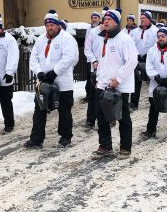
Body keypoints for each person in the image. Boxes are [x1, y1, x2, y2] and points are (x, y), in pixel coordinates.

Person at [24, 10, 78, 149]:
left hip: (63, 82)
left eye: (52, 25)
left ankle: (65, 137)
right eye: (47, 25)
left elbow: (69, 58)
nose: (49, 28)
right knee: (39, 109)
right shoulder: (41, 40)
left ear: (57, 25)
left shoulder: (66, 38)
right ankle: (36, 139)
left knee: (64, 110)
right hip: (44, 83)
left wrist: (55, 72)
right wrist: (39, 72)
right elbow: (34, 58)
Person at [91, 9, 138, 160]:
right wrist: (98, 77)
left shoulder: (124, 39)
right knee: (101, 115)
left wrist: (118, 79)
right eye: (104, 19)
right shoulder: (101, 38)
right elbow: (102, 60)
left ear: (116, 22)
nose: (105, 21)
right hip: (103, 84)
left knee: (122, 116)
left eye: (109, 19)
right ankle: (105, 146)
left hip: (120, 85)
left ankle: (125, 147)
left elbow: (132, 61)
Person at [141, 26, 167, 139]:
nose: (160, 38)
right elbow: (149, 66)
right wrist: (156, 77)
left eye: (163, 36)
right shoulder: (152, 51)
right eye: (159, 36)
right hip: (156, 83)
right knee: (153, 108)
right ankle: (151, 130)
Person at [83, 8, 107, 128]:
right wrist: (94, 60)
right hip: (95, 68)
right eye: (105, 21)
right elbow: (87, 49)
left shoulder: (112, 33)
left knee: (107, 94)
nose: (106, 23)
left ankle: (109, 117)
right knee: (93, 95)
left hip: (108, 69)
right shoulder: (93, 33)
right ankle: (90, 119)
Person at [130, 10, 158, 110]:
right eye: (141, 18)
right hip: (138, 60)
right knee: (136, 81)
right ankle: (133, 103)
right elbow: (132, 43)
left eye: (144, 18)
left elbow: (156, 44)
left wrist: (148, 55)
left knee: (152, 80)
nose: (141, 20)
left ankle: (154, 101)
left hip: (150, 60)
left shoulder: (155, 30)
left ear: (149, 19)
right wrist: (137, 55)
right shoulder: (136, 31)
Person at [82, 12, 102, 104]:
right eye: (92, 18)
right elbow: (87, 43)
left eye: (95, 18)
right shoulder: (89, 29)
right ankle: (89, 95)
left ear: (99, 19)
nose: (94, 19)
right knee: (90, 77)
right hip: (90, 58)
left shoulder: (102, 29)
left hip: (100, 58)